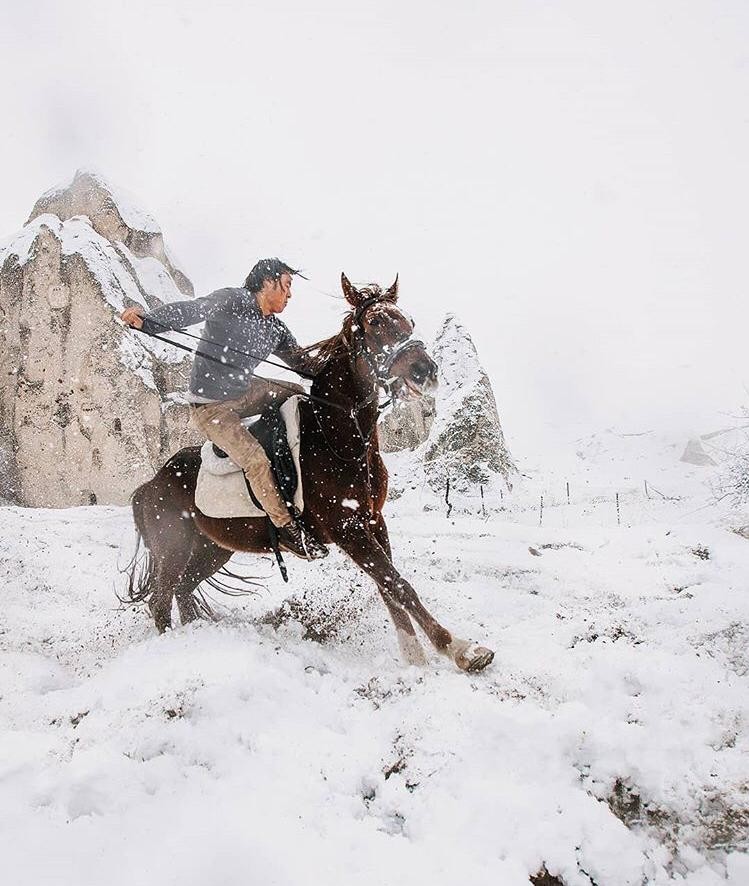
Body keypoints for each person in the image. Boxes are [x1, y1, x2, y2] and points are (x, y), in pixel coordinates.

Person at [120, 257, 328, 560]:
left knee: (297, 393)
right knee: (255, 460)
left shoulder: (276, 328)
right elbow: (194, 310)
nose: (290, 294)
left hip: (246, 391)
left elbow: (303, 365)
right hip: (212, 407)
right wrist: (148, 321)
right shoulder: (234, 300)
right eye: (287, 285)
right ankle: (285, 527)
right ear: (267, 283)